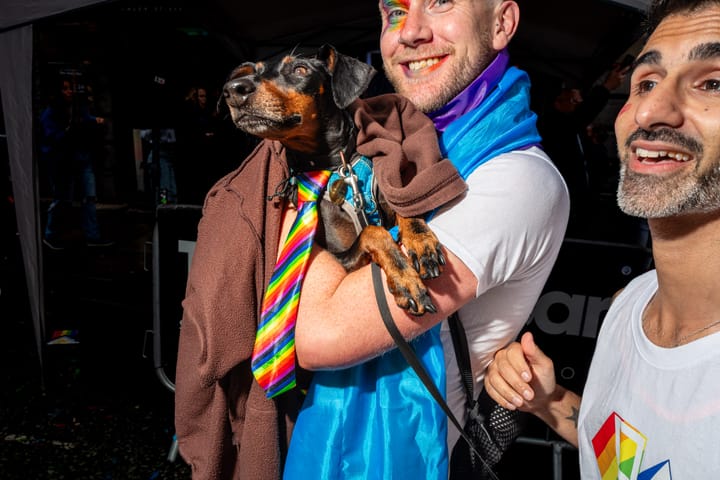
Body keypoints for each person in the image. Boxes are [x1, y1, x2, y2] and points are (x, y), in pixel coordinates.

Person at [174, 0, 569, 478]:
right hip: (316, 429)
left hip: (414, 455)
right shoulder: (393, 144)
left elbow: (320, 337)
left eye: (441, 2)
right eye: (394, 12)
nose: (411, 32)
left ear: (503, 21)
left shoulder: (514, 178)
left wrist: (311, 207)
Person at [484, 1, 720, 477]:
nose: (651, 109)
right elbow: (626, 457)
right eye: (646, 83)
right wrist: (549, 403)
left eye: (713, 82)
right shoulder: (629, 307)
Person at [538, 65, 629, 236]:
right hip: (565, 199)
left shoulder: (575, 130)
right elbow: (583, 115)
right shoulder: (553, 124)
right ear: (558, 102)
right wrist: (607, 87)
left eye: (578, 102)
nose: (577, 106)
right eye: (573, 101)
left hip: (582, 200)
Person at [40, 77, 113, 250]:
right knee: (63, 199)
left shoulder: (77, 107)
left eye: (70, 88)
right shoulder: (52, 113)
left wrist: (94, 121)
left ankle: (92, 236)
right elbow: (52, 138)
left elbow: (85, 120)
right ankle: (51, 234)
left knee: (89, 197)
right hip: (64, 160)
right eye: (65, 88)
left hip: (80, 156)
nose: (69, 91)